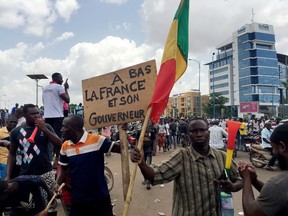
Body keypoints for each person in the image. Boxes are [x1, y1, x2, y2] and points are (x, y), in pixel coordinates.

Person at [130, 117, 243, 216]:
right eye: (194, 131)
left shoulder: (222, 157)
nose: (198, 134)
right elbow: (155, 175)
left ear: (208, 132)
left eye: (202, 130)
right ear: (188, 135)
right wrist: (142, 163)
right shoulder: (181, 156)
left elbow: (240, 180)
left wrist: (233, 187)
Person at [55, 114, 121, 216]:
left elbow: (121, 149)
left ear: (75, 128)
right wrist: (57, 183)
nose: (61, 129)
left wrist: (129, 145)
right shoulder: (65, 146)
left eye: (65, 127)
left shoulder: (97, 140)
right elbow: (63, 168)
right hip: (78, 199)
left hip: (100, 198)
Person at [6, 104, 62, 216]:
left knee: (49, 206)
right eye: (33, 114)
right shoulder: (16, 132)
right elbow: (12, 154)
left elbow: (59, 144)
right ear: (25, 116)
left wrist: (44, 129)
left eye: (38, 113)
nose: (37, 116)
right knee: (27, 207)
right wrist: (8, 175)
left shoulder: (46, 127)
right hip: (25, 174)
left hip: (45, 173)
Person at [238, 123, 288, 216]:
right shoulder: (279, 187)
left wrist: (246, 178)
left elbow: (250, 213)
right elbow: (278, 195)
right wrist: (254, 181)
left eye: (274, 148)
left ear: (282, 147)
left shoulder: (278, 184)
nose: (274, 152)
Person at [42, 72, 70, 166]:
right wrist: (66, 88)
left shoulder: (45, 88)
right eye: (61, 78)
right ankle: (57, 158)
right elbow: (67, 100)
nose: (62, 80)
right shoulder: (59, 87)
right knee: (57, 139)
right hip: (57, 116)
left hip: (47, 116)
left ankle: (49, 157)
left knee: (48, 138)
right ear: (56, 78)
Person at [0, 115, 18, 179]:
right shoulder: (1, 132)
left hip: (14, 161)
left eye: (15, 122)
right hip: (3, 161)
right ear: (6, 122)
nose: (13, 124)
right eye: (11, 122)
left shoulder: (17, 132)